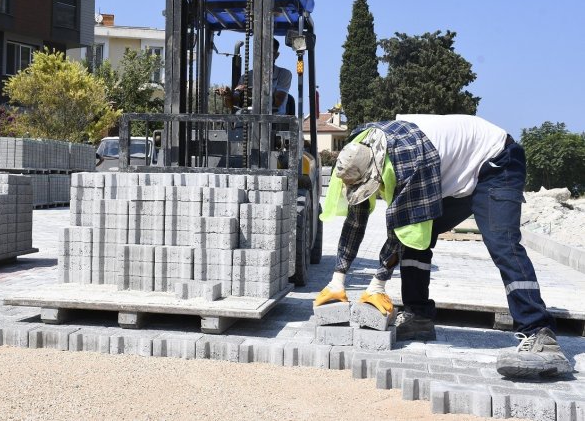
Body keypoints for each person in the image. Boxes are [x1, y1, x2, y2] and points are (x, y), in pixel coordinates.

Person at [316, 114, 573, 379]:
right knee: (417, 235)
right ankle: (419, 317)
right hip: (450, 169)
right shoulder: (355, 154)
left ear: (378, 169)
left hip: (496, 161)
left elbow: (399, 228)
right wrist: (337, 279)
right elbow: (355, 222)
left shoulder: (406, 162)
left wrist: (377, 283)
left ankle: (540, 333)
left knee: (501, 241)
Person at [216, 38, 292, 114]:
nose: (264, 57)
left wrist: (250, 92)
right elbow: (232, 104)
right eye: (261, 53)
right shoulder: (246, 77)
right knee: (238, 117)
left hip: (274, 121)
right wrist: (228, 95)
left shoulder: (284, 74)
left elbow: (277, 102)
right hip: (248, 121)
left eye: (269, 53)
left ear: (276, 55)